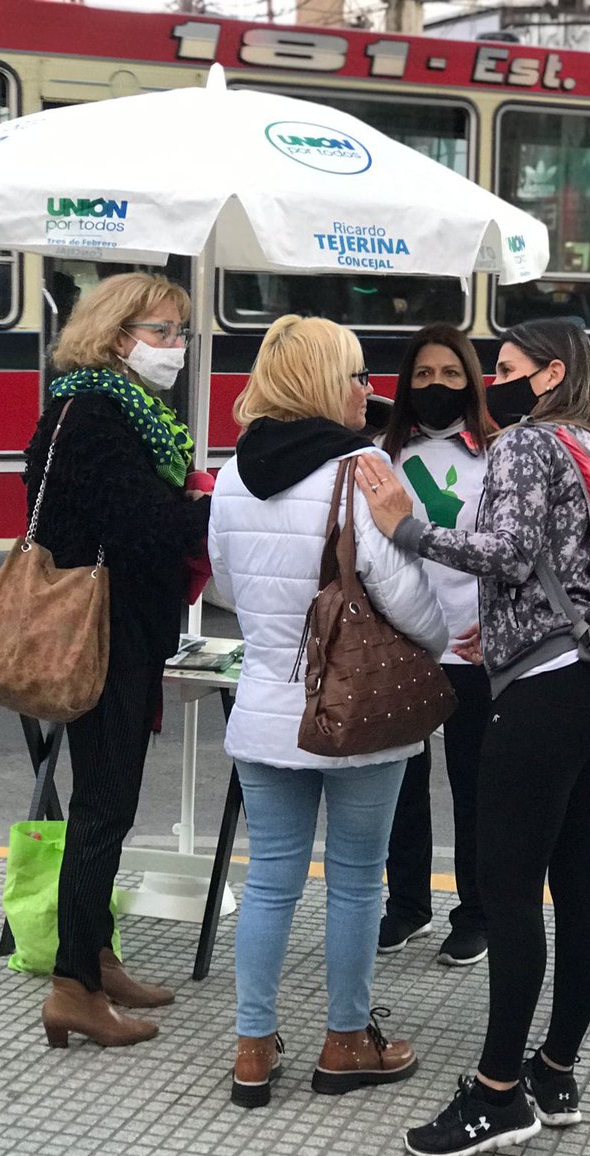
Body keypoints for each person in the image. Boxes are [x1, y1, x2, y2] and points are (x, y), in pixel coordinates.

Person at [355, 318, 590, 1156]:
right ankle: (554, 1073)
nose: (496, 381)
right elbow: (579, 566)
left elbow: (509, 550)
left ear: (549, 373)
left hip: (545, 694)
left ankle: (496, 1094)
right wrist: (505, 622)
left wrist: (406, 526)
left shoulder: (526, 445)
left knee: (509, 887)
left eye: (509, 367)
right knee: (582, 884)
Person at [207, 314, 448, 1109]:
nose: (367, 389)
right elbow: (408, 602)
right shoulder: (362, 469)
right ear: (319, 381)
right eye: (353, 374)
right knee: (355, 882)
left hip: (264, 708)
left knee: (270, 881)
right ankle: (346, 1040)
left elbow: (224, 585)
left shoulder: (236, 471)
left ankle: (251, 1049)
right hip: (355, 718)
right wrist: (442, 628)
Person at [25, 272, 211, 1048]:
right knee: (105, 807)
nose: (175, 346)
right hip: (103, 636)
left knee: (108, 802)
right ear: (115, 333)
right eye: (163, 331)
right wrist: (205, 506)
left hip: (115, 628)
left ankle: (95, 956)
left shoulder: (98, 408)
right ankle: (74, 986)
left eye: (179, 332)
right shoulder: (100, 414)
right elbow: (140, 529)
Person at [376, 324, 493, 967]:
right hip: (403, 643)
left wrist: (498, 624)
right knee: (402, 781)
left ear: (471, 381)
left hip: (475, 646)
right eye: (423, 376)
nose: (437, 386)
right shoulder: (381, 453)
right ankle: (407, 906)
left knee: (475, 784)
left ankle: (477, 912)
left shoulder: (500, 452)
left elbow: (515, 552)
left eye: (451, 375)